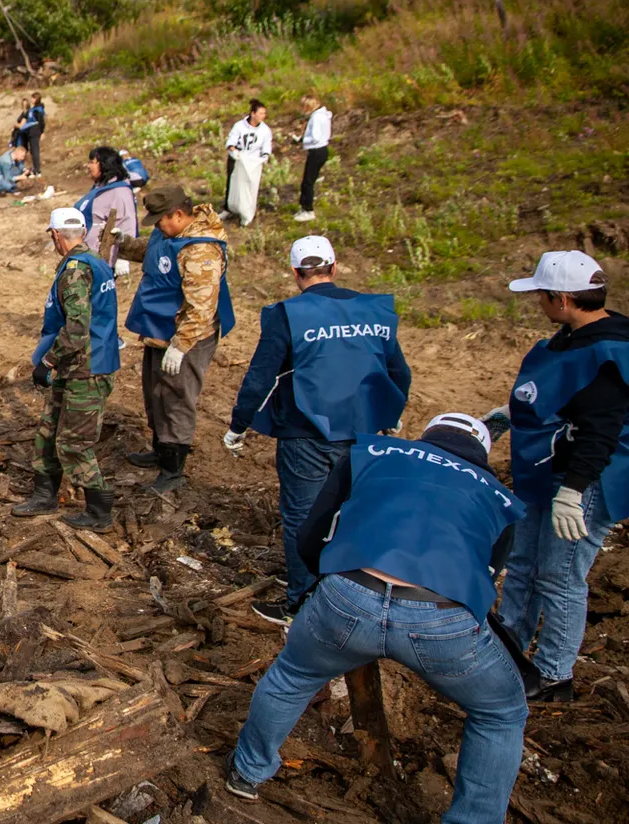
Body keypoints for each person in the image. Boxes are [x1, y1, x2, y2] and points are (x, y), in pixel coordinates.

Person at [225, 414, 528, 824]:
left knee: (292, 676)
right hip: (440, 617)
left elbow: (313, 533)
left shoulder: (372, 453)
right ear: (483, 455)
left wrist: (327, 583)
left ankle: (247, 771)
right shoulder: (496, 494)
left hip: (351, 594)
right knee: (501, 713)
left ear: (426, 438)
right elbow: (488, 578)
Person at [222, 236, 411, 623]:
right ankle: (357, 598)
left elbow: (261, 377)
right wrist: (390, 413)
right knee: (355, 511)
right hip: (362, 432)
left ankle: (304, 603)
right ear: (334, 267)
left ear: (295, 273)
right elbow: (399, 372)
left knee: (303, 517)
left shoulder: (288, 315)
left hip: (305, 431)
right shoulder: (373, 310)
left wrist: (239, 425)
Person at [491, 250, 629, 702]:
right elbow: (559, 397)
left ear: (563, 299)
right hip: (544, 469)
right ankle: (507, 650)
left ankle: (553, 673)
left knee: (560, 574)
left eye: (542, 296)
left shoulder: (609, 352)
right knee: (524, 563)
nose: (539, 305)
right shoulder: (571, 339)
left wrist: (574, 491)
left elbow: (601, 430)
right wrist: (512, 413)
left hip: (584, 479)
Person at [116, 185, 235, 493]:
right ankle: (160, 448)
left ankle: (173, 469)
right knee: (155, 392)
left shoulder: (201, 250)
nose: (157, 226)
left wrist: (181, 346)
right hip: (159, 329)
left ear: (179, 214)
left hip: (189, 335)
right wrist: (124, 244)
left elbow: (202, 307)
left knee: (176, 397)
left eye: (160, 220)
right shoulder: (169, 234)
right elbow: (152, 251)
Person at [17, 208, 123, 530]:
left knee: (74, 442)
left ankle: (99, 510)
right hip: (76, 365)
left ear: (55, 235)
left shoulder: (75, 271)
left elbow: (77, 328)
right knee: (49, 430)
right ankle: (44, 495)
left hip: (86, 368)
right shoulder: (97, 262)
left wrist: (48, 361)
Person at [75, 147, 138, 265]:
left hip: (103, 259)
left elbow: (127, 224)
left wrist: (123, 258)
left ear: (105, 164)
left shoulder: (120, 192)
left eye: (92, 162)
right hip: (87, 255)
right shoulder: (100, 188)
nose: (88, 166)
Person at [224, 100, 273, 207]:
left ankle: (247, 208)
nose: (263, 116)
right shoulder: (239, 126)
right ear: (253, 113)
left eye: (264, 114)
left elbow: (266, 146)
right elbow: (231, 141)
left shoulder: (265, 130)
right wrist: (234, 151)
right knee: (232, 183)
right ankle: (228, 208)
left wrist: (265, 156)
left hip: (252, 162)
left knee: (250, 185)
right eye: (261, 113)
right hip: (237, 159)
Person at [294, 96, 332, 222]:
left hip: (316, 151)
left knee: (307, 182)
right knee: (309, 180)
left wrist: (302, 140)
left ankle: (308, 209)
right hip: (323, 150)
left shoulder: (315, 117)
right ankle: (304, 206)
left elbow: (315, 137)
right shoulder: (324, 115)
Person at [15, 93, 46, 172]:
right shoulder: (31, 109)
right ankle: (24, 168)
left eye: (33, 98)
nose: (31, 100)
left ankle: (37, 170)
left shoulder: (38, 110)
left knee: (35, 150)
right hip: (29, 131)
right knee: (30, 150)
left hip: (35, 131)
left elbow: (41, 122)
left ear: (36, 99)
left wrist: (42, 132)